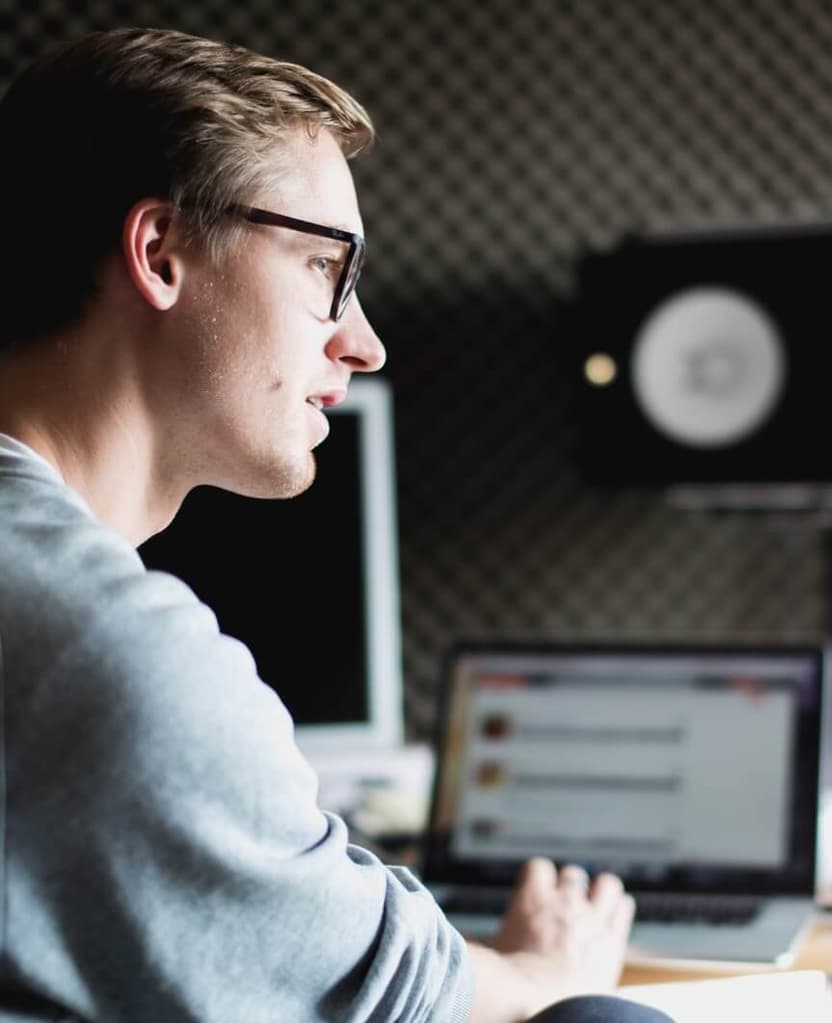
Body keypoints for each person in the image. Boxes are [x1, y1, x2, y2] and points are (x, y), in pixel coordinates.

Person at [0, 27, 674, 1023]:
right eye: (325, 268)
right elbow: (391, 991)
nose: (362, 342)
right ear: (161, 252)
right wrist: (549, 976)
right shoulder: (113, 658)